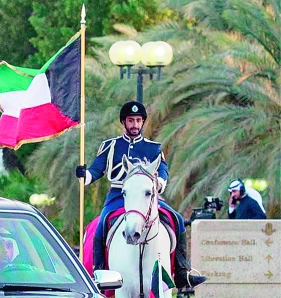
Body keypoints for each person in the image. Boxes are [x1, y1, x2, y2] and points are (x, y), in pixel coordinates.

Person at [76, 100, 205, 288]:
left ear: (143, 122)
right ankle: (100, 271)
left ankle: (182, 272)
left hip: (147, 197)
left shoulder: (153, 148)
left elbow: (162, 170)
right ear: (124, 122)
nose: (135, 124)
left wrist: (159, 183)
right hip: (118, 195)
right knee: (101, 226)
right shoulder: (110, 146)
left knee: (176, 219)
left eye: (138, 120)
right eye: (130, 120)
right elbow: (97, 169)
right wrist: (85, 175)